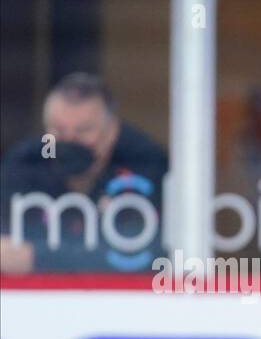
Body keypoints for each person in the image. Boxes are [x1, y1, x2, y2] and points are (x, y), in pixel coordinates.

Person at [0, 73, 167, 273]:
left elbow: (141, 256)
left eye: (83, 130)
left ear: (112, 129)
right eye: (59, 130)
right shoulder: (26, 161)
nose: (70, 140)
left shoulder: (146, 162)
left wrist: (38, 257)